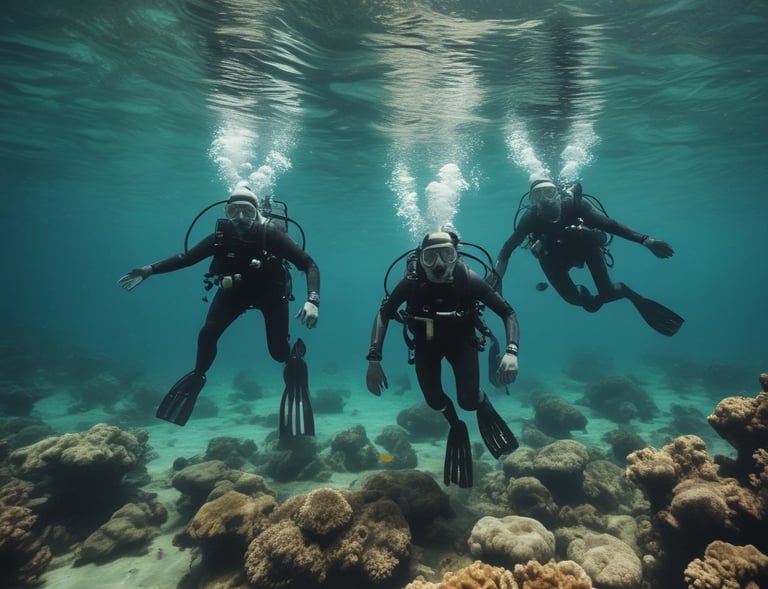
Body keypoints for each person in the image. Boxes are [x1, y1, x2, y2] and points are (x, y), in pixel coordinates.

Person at [118, 184, 320, 434]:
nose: (240, 218)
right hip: (233, 292)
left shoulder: (272, 235)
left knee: (278, 354)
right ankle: (198, 374)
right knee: (207, 334)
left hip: (271, 295)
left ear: (257, 211)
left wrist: (312, 300)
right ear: (226, 212)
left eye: (246, 211)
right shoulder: (221, 238)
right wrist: (150, 269)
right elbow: (186, 258)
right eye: (234, 211)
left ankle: (294, 359)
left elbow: (308, 263)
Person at [365, 231, 520, 488]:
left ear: (456, 255)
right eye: (430, 256)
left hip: (462, 343)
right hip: (426, 346)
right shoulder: (411, 282)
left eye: (447, 255)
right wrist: (374, 359)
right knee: (434, 400)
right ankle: (454, 424)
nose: (439, 264)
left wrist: (512, 351)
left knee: (468, 401)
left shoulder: (468, 279)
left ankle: (481, 402)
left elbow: (507, 311)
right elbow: (384, 313)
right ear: (420, 259)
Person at [490, 179, 683, 336]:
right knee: (578, 302)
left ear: (558, 194)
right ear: (531, 201)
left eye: (549, 192)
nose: (544, 199)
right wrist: (496, 281)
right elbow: (506, 250)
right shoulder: (530, 218)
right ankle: (584, 295)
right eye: (537, 196)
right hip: (552, 257)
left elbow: (611, 225)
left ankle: (629, 294)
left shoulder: (576, 206)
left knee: (607, 293)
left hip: (586, 247)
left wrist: (646, 240)